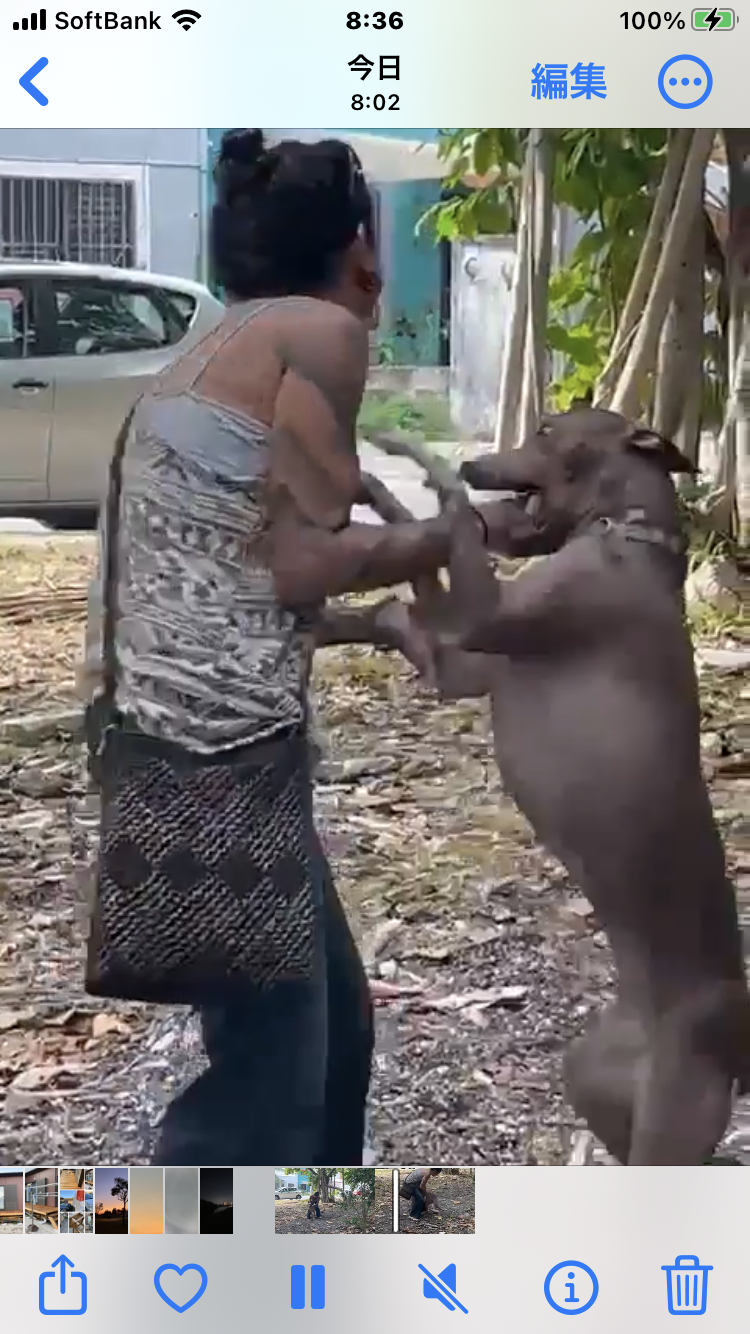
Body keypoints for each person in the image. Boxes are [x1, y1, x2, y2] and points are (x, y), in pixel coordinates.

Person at [81, 129, 489, 1168]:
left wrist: (379, 619)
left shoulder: (223, 344)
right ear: (361, 249)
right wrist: (452, 536)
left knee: (333, 1028)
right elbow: (303, 563)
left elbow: (233, 579)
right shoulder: (319, 332)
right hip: (211, 761)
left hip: (177, 744)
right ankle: (144, 1245)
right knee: (268, 1081)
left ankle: (320, 1241)